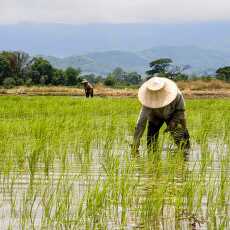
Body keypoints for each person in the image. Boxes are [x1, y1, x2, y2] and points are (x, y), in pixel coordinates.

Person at [132, 75, 190, 156]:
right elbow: (141, 122)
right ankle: (153, 162)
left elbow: (181, 113)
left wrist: (173, 123)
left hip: (173, 115)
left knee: (182, 143)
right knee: (151, 143)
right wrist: (135, 143)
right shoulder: (147, 99)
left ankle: (185, 158)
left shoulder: (177, 95)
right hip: (155, 116)